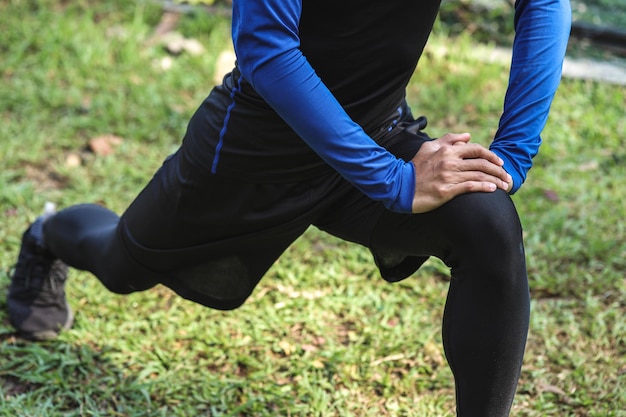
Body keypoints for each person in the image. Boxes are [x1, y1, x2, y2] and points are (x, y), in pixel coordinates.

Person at [7, 0, 571, 415]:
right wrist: (393, 181)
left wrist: (511, 156)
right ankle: (47, 235)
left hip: (374, 130)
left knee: (486, 219)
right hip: (255, 149)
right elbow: (266, 46)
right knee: (121, 264)